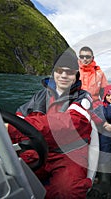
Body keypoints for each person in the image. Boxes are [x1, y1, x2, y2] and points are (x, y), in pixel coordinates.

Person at [9, 48, 94, 199]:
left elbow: (67, 124)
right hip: (40, 150)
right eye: (59, 70)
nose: (63, 75)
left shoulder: (84, 98)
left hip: (69, 155)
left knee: (68, 191)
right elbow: (19, 118)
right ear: (54, 72)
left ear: (76, 75)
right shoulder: (39, 96)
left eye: (69, 72)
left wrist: (10, 128)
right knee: (10, 177)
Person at [88, 84, 111, 198]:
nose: (110, 98)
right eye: (108, 95)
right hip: (104, 133)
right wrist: (103, 123)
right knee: (104, 154)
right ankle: (105, 183)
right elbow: (93, 114)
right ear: (104, 96)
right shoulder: (99, 105)